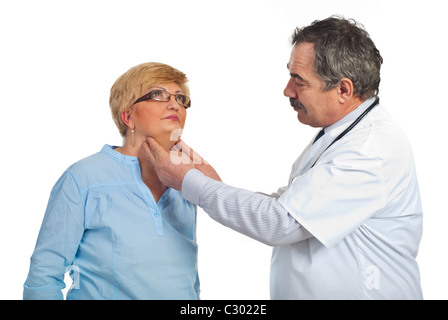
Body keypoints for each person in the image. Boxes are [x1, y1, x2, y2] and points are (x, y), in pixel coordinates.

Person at [141, 16, 423, 299]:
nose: (287, 90)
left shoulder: (370, 151)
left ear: (343, 90)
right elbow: (290, 205)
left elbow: (281, 223)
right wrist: (212, 182)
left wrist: (188, 181)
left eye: (299, 81)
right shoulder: (341, 133)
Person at [23, 62, 200, 300]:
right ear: (128, 117)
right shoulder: (83, 177)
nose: (174, 104)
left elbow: (188, 279)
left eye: (180, 98)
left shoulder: (186, 179)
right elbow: (44, 276)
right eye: (157, 94)